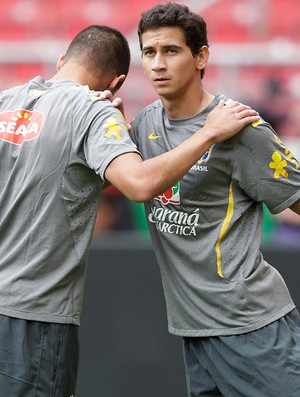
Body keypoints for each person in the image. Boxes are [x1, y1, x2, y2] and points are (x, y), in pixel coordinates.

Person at [0, 24, 258, 396]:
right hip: (32, 321)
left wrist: (100, 154)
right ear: (116, 82)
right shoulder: (93, 109)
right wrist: (207, 133)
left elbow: (51, 180)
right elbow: (138, 185)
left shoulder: (8, 101)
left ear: (62, 61)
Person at [130, 3, 300, 396]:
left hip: (251, 326)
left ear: (201, 56)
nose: (158, 63)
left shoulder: (241, 128)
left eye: (171, 51)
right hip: (196, 329)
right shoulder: (144, 126)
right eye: (149, 52)